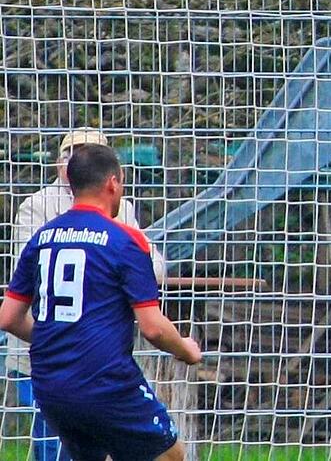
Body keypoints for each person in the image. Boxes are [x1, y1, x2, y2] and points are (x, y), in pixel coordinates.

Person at [0, 144, 201, 460]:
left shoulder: (43, 238)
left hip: (51, 384)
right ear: (113, 182)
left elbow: (9, 318)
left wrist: (60, 340)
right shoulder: (125, 239)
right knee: (169, 454)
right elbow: (153, 328)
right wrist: (186, 349)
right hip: (105, 383)